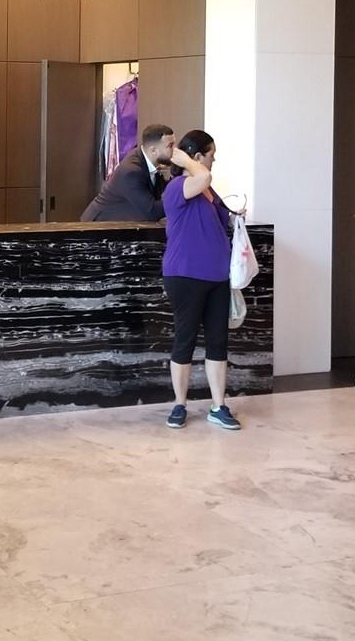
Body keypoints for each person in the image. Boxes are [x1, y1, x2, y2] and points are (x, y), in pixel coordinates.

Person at [162, 129, 241, 431]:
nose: (213, 161)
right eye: (211, 155)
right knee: (185, 340)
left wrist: (235, 216)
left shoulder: (209, 191)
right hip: (185, 274)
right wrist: (184, 160)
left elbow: (222, 219)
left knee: (218, 342)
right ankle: (179, 404)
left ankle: (218, 405)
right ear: (197, 157)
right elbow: (203, 176)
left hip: (217, 275)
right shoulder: (178, 187)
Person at [81, 123, 175, 221]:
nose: (175, 150)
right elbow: (152, 211)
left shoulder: (147, 159)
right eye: (170, 146)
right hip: (98, 226)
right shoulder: (131, 172)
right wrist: (181, 195)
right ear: (153, 150)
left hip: (122, 224)